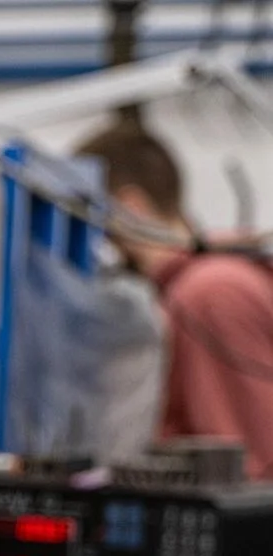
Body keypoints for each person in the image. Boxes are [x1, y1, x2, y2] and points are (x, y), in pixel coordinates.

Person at [80, 118, 273, 478]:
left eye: (88, 218)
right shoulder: (195, 289)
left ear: (130, 207)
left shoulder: (208, 294)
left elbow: (247, 469)